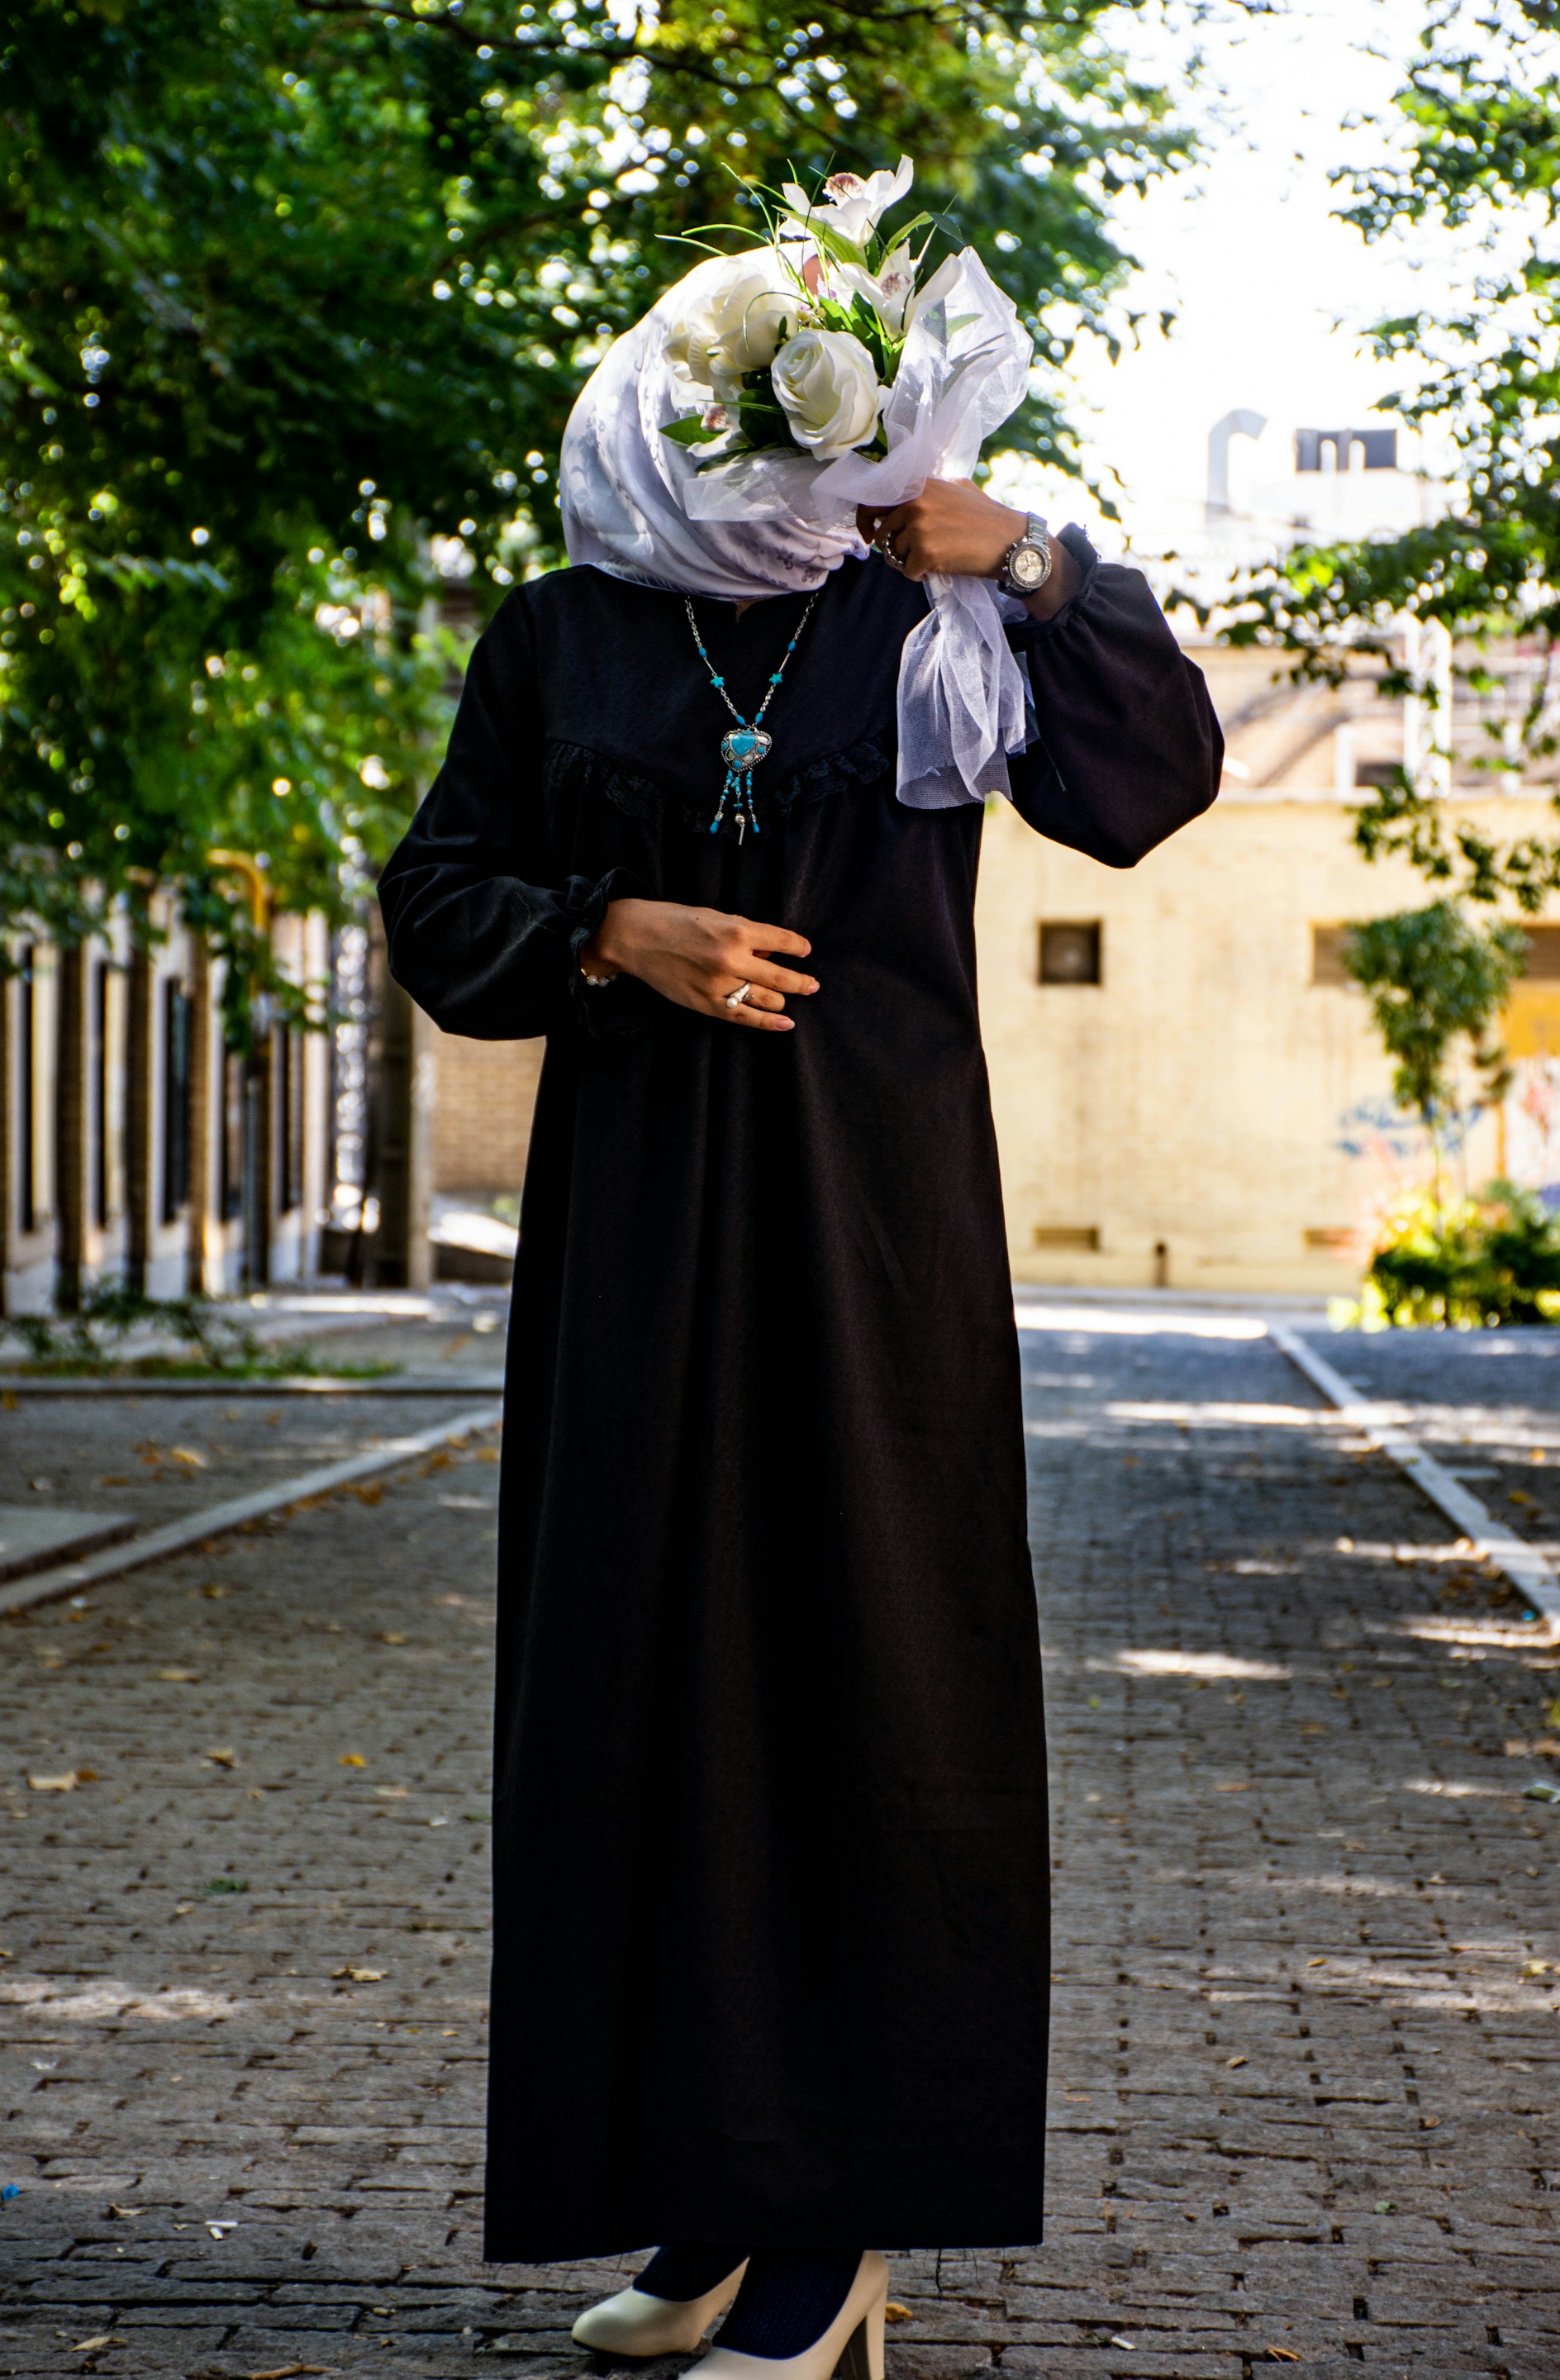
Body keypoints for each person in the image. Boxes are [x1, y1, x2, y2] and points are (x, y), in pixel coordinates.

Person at [378, 200, 1220, 2380]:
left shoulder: (918, 622)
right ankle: (697, 2209)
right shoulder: (561, 636)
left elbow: (1151, 783)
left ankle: (835, 2236)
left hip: (872, 1252)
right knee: (639, 1695)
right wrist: (607, 931)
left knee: (862, 1690)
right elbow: (437, 895)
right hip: (641, 1254)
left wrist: (1027, 553)